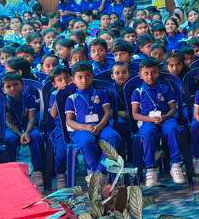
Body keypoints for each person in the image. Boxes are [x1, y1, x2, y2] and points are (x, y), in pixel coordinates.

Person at [131, 58, 186, 187]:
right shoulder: (137, 92)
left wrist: (165, 116)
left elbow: (173, 108)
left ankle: (176, 165)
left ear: (158, 72)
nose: (150, 76)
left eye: (153, 72)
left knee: (172, 129)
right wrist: (151, 119)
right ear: (140, 74)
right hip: (147, 120)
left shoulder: (165, 88)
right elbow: (135, 114)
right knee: (148, 132)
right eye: (146, 73)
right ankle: (150, 169)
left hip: (165, 118)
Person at [64, 62, 121, 176]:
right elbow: (69, 121)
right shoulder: (71, 98)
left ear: (92, 77)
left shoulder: (101, 93)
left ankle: (98, 173)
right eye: (80, 77)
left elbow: (108, 112)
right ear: (73, 79)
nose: (84, 80)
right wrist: (85, 127)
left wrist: (99, 126)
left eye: (87, 76)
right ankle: (96, 170)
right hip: (81, 129)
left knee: (114, 137)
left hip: (102, 126)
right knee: (86, 141)